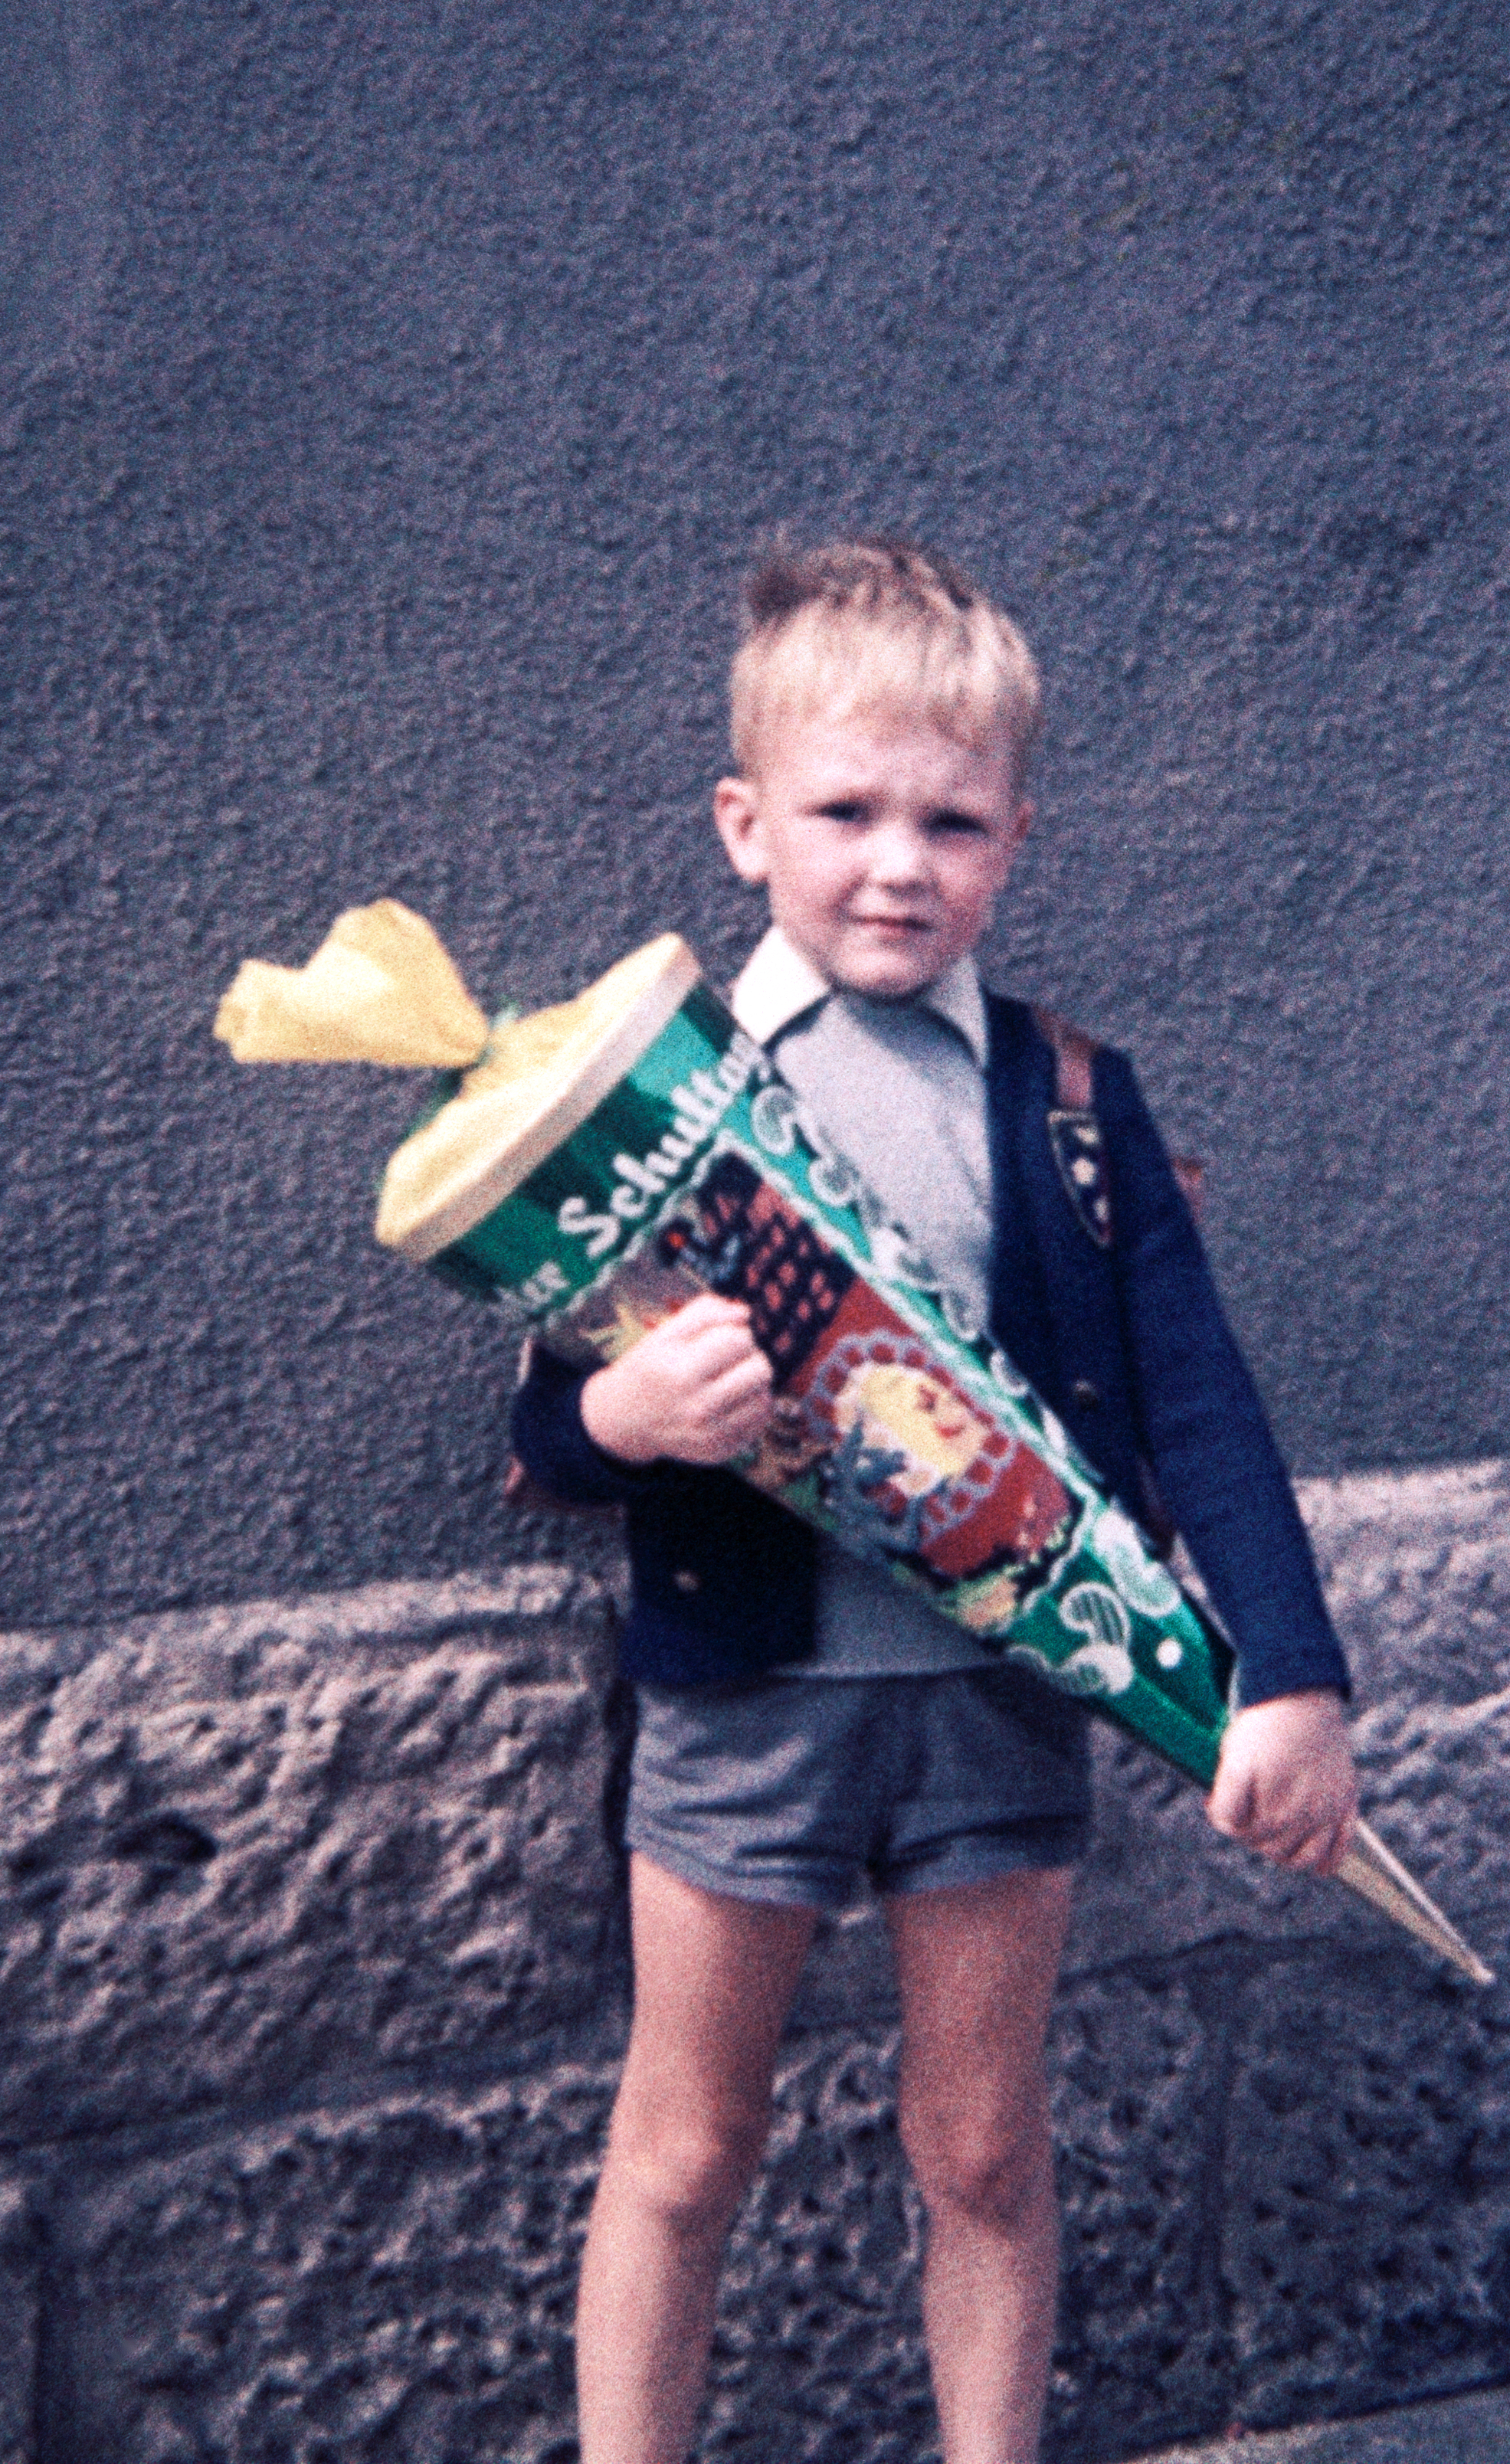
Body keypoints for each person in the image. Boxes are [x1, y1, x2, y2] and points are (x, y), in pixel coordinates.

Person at [508, 537, 1359, 2464]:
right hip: (750, 1707)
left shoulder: (1067, 1099)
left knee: (981, 2142)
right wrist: (626, 1412)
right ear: (743, 825)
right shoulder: (662, 1094)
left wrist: (1287, 1673)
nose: (899, 861)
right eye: (844, 811)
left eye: (953, 821)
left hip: (998, 1707)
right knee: (686, 2142)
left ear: (1016, 840)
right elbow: (541, 1434)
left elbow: (1199, 1406)